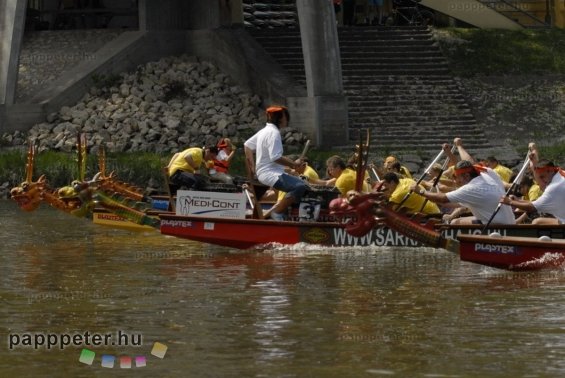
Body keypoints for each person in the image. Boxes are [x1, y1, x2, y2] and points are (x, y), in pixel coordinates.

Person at [244, 105, 308, 221]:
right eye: (285, 117)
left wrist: (253, 168)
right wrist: (294, 164)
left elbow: (247, 146)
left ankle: (280, 213)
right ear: (280, 119)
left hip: (266, 172)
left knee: (299, 183)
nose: (286, 119)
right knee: (300, 186)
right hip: (270, 173)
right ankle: (277, 213)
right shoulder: (274, 133)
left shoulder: (264, 131)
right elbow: (276, 157)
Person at [410, 160, 515, 225]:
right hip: (509, 222)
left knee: (455, 223)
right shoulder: (489, 173)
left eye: (457, 177)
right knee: (457, 218)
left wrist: (421, 192)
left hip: (497, 225)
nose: (456, 181)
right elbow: (452, 203)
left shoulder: (471, 188)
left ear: (466, 176)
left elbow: (442, 199)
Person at [500, 158, 565, 225]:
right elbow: (535, 203)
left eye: (542, 177)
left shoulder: (553, 187)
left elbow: (532, 208)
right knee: (537, 221)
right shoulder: (560, 172)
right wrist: (518, 201)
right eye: (540, 178)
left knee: (536, 222)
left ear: (551, 171)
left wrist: (510, 202)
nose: (542, 181)